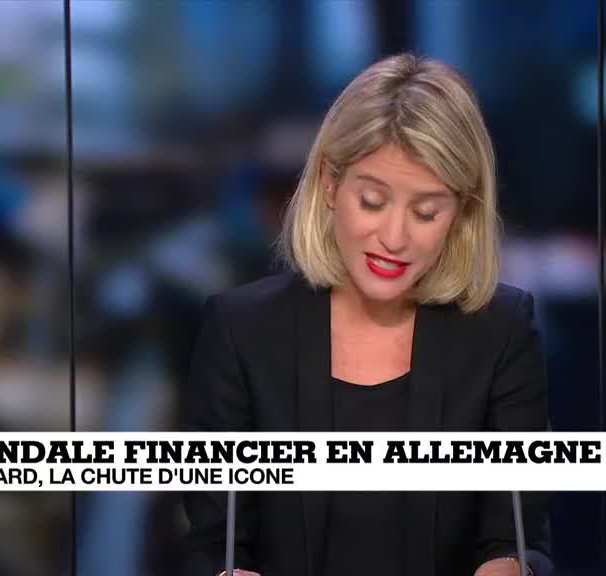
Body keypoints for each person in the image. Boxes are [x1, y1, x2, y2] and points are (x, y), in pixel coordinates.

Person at [182, 53, 551, 576]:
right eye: (373, 202)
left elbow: (517, 535)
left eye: (426, 212)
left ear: (461, 212)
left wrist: (508, 565)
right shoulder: (241, 331)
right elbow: (215, 544)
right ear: (330, 184)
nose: (394, 238)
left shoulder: (501, 331)